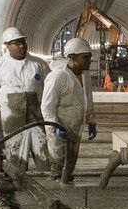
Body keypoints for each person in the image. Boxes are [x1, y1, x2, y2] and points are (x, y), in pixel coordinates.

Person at [0, 26, 43, 165]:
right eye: (16, 43)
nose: (21, 46)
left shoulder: (39, 65)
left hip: (37, 120)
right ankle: (18, 184)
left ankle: (48, 183)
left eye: (23, 42)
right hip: (12, 122)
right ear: (7, 46)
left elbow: (50, 90)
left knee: (44, 156)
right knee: (16, 160)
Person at [39, 36, 98, 184]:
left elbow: (87, 99)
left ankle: (66, 188)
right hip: (59, 128)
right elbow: (47, 106)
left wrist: (91, 120)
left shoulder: (85, 76)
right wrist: (54, 126)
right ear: (72, 57)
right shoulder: (58, 77)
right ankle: (54, 189)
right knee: (58, 164)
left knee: (70, 162)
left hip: (76, 126)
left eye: (89, 56)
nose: (89, 60)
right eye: (86, 57)